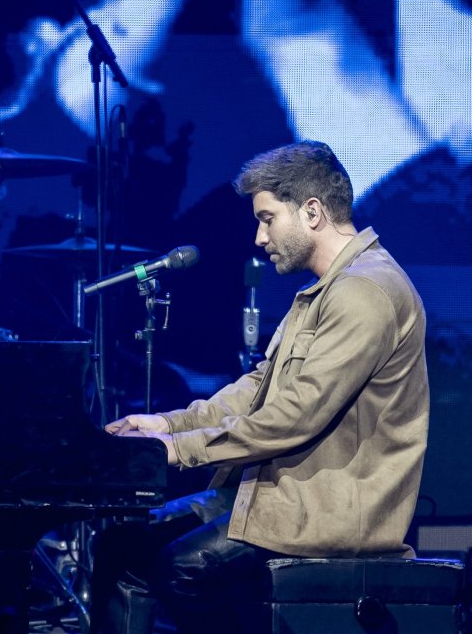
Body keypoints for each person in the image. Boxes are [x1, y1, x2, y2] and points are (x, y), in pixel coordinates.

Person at [93, 140, 430, 633]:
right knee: (121, 548)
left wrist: (179, 449)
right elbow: (257, 390)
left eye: (268, 219)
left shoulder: (365, 292)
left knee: (183, 569)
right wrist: (167, 424)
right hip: (282, 497)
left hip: (325, 513)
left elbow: (295, 417)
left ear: (311, 212)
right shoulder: (327, 291)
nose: (259, 236)